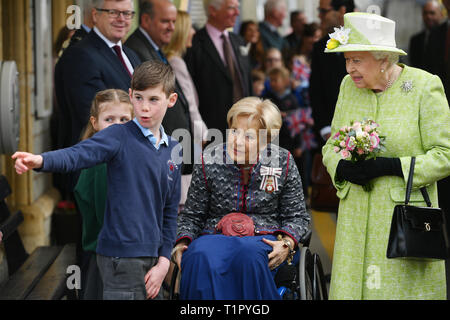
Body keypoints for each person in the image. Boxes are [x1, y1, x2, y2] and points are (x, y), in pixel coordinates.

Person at [12, 61, 182, 300]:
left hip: (155, 258)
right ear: (131, 95)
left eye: (153, 100)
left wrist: (164, 261)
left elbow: (170, 212)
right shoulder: (117, 136)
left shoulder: (174, 148)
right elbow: (77, 154)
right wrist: (40, 160)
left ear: (171, 100)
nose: (144, 107)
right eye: (139, 98)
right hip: (119, 257)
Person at [322, 12, 450, 300]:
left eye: (357, 60)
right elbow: (330, 145)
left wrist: (392, 166)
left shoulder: (424, 87)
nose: (349, 68)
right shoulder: (348, 87)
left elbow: (445, 155)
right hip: (355, 218)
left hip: (402, 221)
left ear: (384, 60)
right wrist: (341, 168)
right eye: (346, 59)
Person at [172, 97, 310, 300]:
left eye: (249, 137)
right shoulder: (209, 160)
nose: (236, 141)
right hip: (214, 236)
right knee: (198, 256)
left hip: (264, 238)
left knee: (249, 257)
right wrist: (182, 241)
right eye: (234, 131)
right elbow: (192, 215)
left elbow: (298, 216)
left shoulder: (284, 162)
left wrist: (287, 243)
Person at [53, 0, 141, 197]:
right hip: (98, 173)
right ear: (95, 15)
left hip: (128, 168)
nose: (122, 19)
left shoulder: (130, 55)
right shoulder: (80, 55)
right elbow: (94, 119)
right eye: (113, 12)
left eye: (127, 14)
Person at [74, 89, 134, 300]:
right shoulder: (102, 164)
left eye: (124, 119)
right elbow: (108, 217)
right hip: (112, 261)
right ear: (95, 122)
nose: (118, 126)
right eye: (110, 119)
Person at [185, 0, 253, 135]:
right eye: (231, 8)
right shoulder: (194, 44)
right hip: (212, 131)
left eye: (237, 8)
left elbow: (247, 82)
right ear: (213, 10)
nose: (237, 13)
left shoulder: (238, 41)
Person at [163, 10, 208, 209]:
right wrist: (204, 134)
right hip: (191, 140)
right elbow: (189, 105)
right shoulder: (175, 62)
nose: (193, 32)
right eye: (189, 27)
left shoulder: (175, 60)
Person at [309, 0, 354, 145]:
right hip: (331, 134)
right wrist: (324, 128)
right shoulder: (319, 47)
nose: (319, 16)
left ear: (341, 11)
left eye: (323, 11)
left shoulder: (364, 43)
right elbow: (316, 90)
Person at [409, 0, 443, 69]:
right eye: (425, 13)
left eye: (432, 13)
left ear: (441, 14)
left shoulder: (446, 38)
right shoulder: (415, 40)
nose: (428, 16)